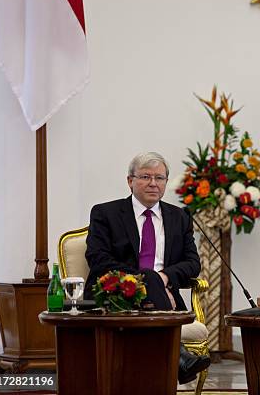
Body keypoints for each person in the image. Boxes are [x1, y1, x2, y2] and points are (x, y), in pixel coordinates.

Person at [84, 151, 210, 384]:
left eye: (159, 178)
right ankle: (179, 358)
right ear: (130, 181)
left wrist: (163, 279)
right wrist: (150, 279)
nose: (153, 183)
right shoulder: (106, 213)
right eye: (145, 177)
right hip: (115, 293)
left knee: (154, 279)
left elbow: (193, 264)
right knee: (151, 279)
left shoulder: (179, 216)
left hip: (163, 294)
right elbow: (98, 259)